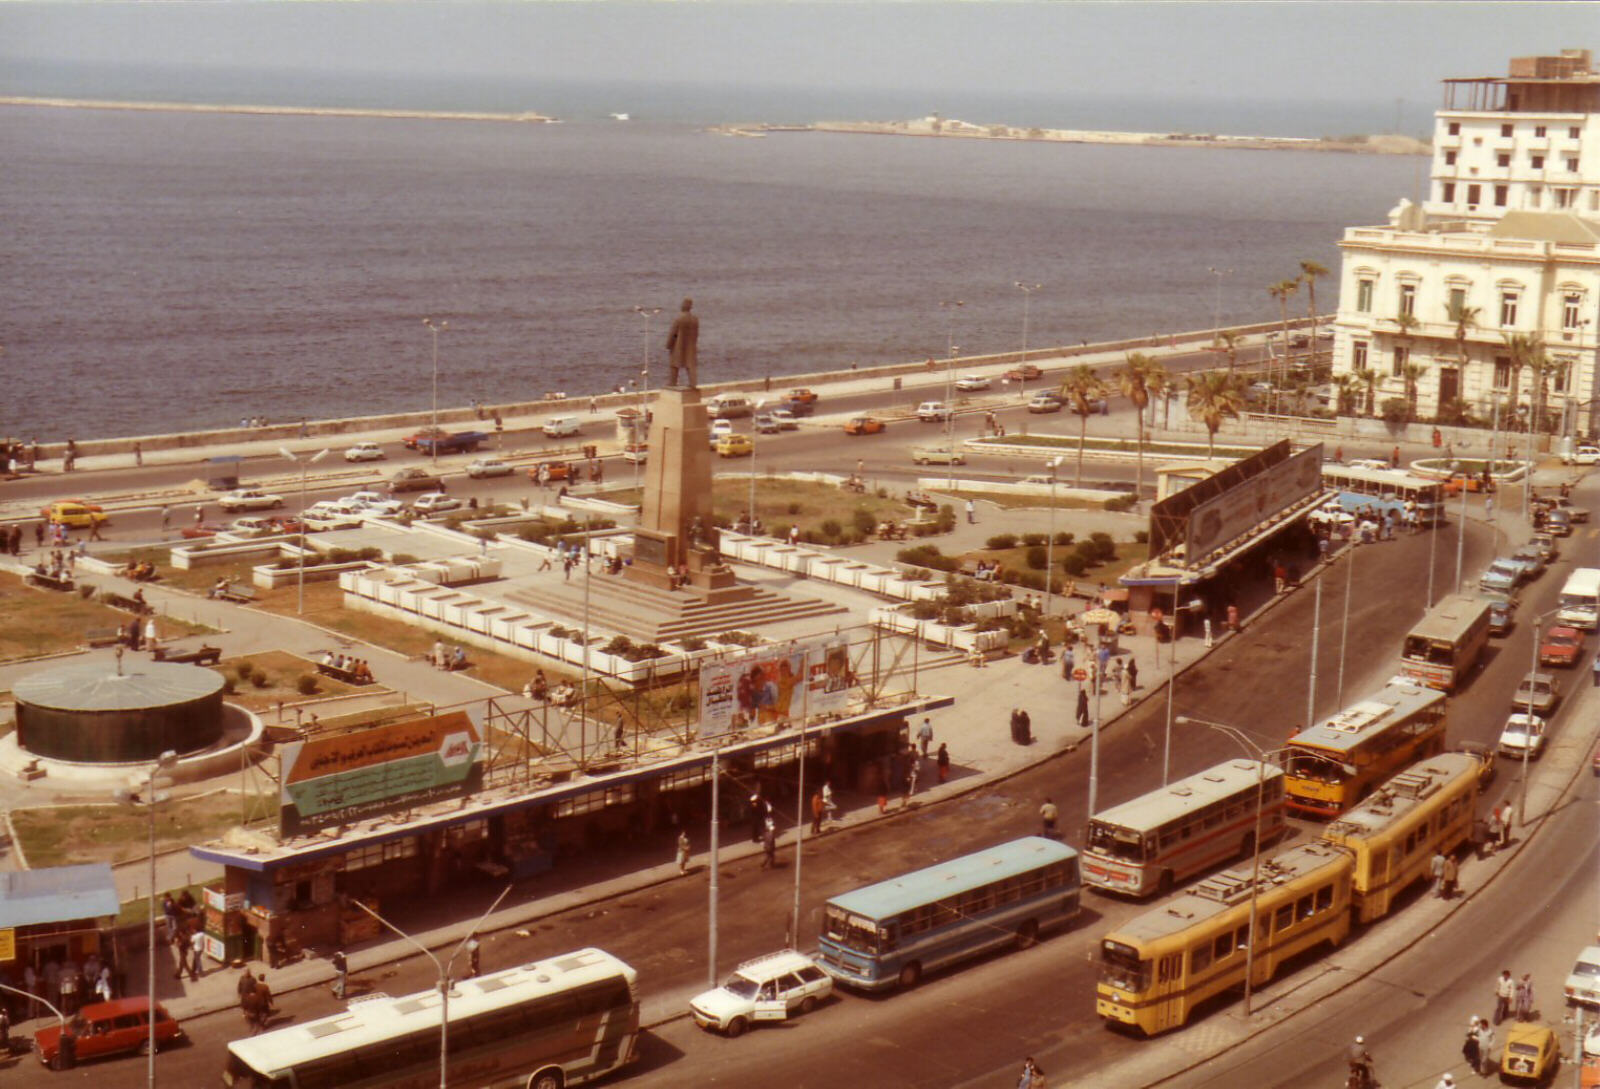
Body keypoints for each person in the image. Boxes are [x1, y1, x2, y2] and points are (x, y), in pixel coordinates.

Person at [665, 298, 700, 387]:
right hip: (690, 347)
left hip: (678, 347)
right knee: (690, 365)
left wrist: (668, 345)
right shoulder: (695, 320)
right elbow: (696, 334)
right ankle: (693, 384)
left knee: (674, 365)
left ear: (684, 306)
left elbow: (673, 334)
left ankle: (673, 383)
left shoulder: (679, 319)